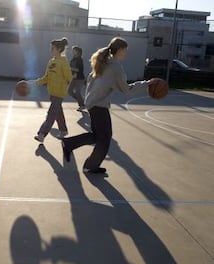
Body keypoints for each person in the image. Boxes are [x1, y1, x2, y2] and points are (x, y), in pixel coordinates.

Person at [62, 37, 158, 174]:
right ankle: (90, 165)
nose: (125, 54)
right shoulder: (115, 67)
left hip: (93, 103)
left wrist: (90, 99)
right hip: (99, 106)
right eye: (125, 51)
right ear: (119, 50)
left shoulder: (103, 62)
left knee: (98, 136)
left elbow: (91, 80)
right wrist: (147, 84)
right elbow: (126, 90)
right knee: (105, 138)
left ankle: (70, 145)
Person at [34, 37, 73, 143]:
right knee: (58, 113)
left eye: (53, 48)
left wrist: (65, 88)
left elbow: (69, 77)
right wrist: (35, 83)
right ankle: (63, 130)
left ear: (59, 49)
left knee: (51, 114)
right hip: (52, 92)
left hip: (59, 93)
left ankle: (42, 134)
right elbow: (46, 77)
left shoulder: (63, 62)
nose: (51, 50)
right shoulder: (51, 62)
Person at [68, 46, 86, 111]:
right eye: (72, 50)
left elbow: (79, 69)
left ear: (78, 52)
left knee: (77, 92)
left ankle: (82, 105)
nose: (72, 52)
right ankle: (82, 101)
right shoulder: (73, 59)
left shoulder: (80, 59)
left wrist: (70, 68)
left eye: (74, 50)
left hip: (80, 78)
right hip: (74, 78)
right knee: (69, 91)